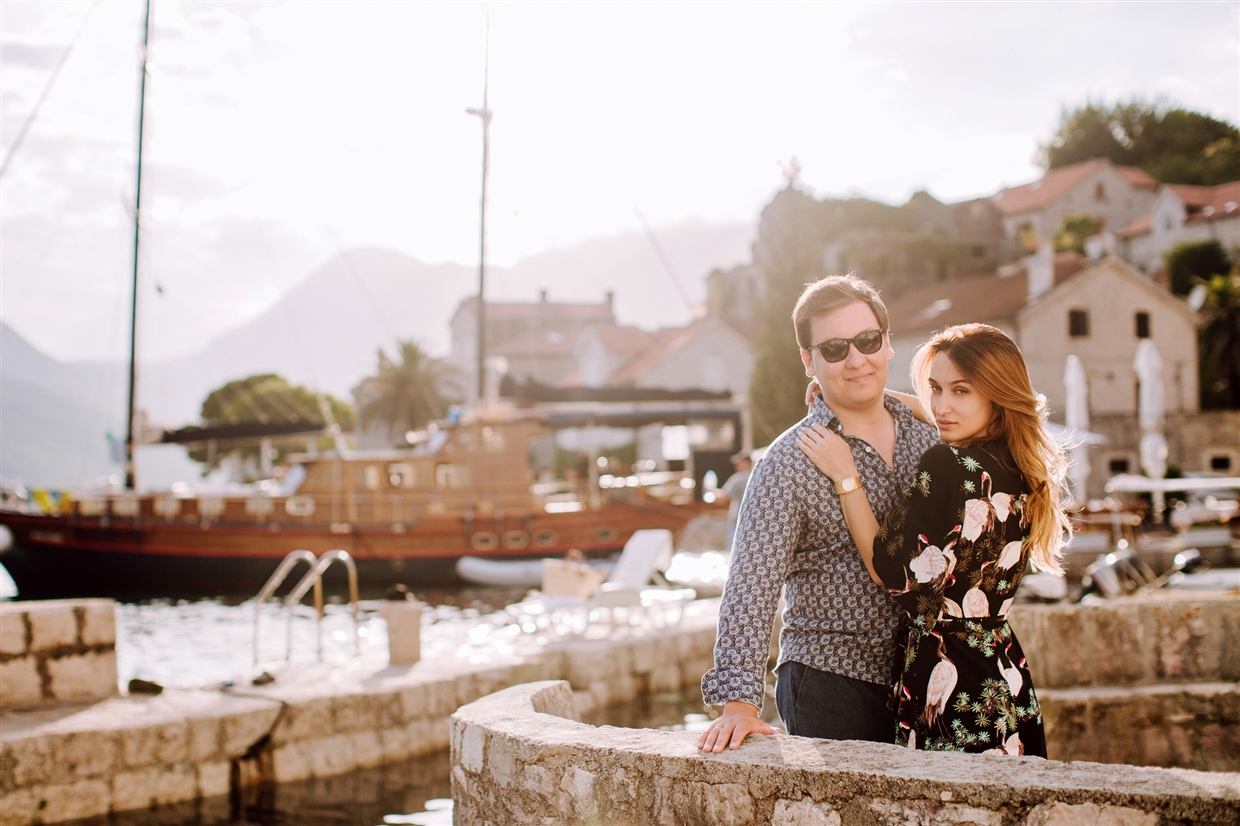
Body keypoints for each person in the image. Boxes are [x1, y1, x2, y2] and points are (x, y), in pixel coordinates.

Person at [796, 323, 1069, 756]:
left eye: (961, 391)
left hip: (954, 682)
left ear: (997, 394)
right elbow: (950, 415)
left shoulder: (945, 464)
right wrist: (875, 399)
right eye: (935, 389)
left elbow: (887, 570)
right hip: (1005, 674)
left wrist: (845, 474)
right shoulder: (1021, 468)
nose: (941, 407)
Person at [696, 274, 939, 753]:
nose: (856, 359)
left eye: (868, 340)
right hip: (832, 678)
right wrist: (739, 706)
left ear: (887, 342)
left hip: (925, 676)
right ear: (809, 361)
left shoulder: (930, 437)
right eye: (834, 349)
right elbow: (751, 583)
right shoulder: (786, 462)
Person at [718, 449, 757, 551]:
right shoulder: (758, 477)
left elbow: (722, 499)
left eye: (738, 463)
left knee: (733, 553)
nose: (736, 466)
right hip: (754, 523)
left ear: (746, 463)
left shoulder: (737, 479)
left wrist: (712, 492)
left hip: (738, 523)